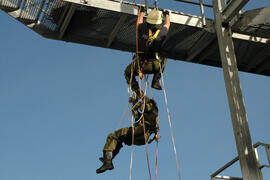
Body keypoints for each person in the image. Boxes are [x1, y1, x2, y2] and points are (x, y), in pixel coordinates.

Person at [96, 96, 159, 174]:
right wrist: (134, 104)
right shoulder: (147, 116)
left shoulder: (151, 108)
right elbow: (136, 114)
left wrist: (136, 100)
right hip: (140, 137)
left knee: (113, 135)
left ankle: (108, 161)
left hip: (141, 131)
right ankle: (108, 160)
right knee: (118, 140)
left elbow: (144, 106)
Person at [124, 6, 170, 96]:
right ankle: (156, 80)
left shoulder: (141, 29)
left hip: (140, 66)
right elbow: (167, 24)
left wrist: (141, 12)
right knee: (164, 56)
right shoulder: (162, 32)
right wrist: (167, 15)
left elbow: (139, 23)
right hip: (155, 66)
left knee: (127, 73)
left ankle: (137, 90)